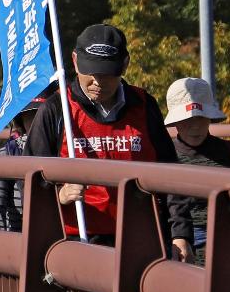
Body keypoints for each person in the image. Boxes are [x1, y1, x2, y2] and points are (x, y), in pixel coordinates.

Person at [21, 24, 194, 254]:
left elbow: (170, 174)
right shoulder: (56, 108)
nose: (98, 82)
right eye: (90, 72)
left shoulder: (144, 105)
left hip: (142, 237)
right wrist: (59, 195)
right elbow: (29, 182)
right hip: (78, 240)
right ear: (74, 61)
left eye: (106, 73)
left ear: (125, 64)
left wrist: (181, 234)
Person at [162, 76, 230, 258]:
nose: (195, 126)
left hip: (228, 245)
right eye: (187, 119)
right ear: (176, 121)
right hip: (177, 245)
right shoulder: (163, 154)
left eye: (201, 118)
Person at [0, 90, 51, 232]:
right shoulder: (7, 155)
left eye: (46, 116)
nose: (40, 122)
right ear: (21, 120)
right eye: (32, 116)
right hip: (19, 237)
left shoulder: (67, 151)